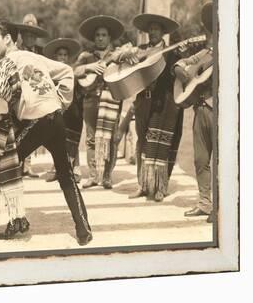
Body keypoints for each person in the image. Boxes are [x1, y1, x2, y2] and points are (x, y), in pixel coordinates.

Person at [0, 19, 92, 246]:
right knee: (65, 174)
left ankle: (16, 223)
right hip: (56, 118)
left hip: (37, 122)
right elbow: (67, 72)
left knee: (4, 164)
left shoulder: (5, 63)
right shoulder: (33, 56)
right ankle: (83, 229)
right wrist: (60, 102)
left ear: (8, 39)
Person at [127, 13, 184, 202]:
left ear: (163, 33)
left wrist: (181, 56)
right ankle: (143, 185)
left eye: (157, 29)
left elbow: (177, 74)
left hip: (161, 104)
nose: (153, 32)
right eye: (150, 28)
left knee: (160, 142)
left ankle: (160, 186)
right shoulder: (140, 50)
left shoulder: (171, 52)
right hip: (143, 101)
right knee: (141, 143)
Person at [74, 15, 126, 190]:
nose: (100, 38)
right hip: (90, 100)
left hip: (111, 101)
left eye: (104, 35)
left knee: (111, 139)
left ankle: (107, 176)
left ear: (109, 37)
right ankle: (94, 176)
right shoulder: (86, 55)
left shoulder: (117, 55)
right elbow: (74, 71)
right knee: (91, 139)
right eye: (97, 35)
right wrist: (89, 67)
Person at [174, 2, 214, 222]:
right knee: (200, 160)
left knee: (224, 161)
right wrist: (187, 77)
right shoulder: (205, 52)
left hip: (222, 112)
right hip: (200, 110)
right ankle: (204, 204)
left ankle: (224, 206)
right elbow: (179, 64)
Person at [14, 14, 50, 176]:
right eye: (26, 34)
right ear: (22, 35)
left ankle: (27, 165)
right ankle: (16, 164)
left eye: (33, 35)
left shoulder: (42, 52)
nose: (30, 38)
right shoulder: (16, 52)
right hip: (18, 95)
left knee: (32, 129)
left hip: (36, 95)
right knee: (18, 129)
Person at [43, 38, 83, 183]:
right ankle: (58, 168)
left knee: (72, 139)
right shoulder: (50, 73)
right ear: (55, 57)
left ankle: (75, 168)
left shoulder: (72, 71)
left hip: (73, 110)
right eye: (60, 55)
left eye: (65, 55)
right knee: (56, 138)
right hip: (56, 108)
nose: (63, 58)